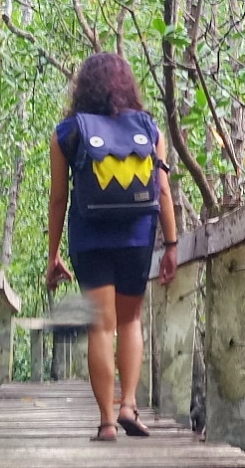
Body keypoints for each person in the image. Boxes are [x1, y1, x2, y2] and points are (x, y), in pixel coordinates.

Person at [42, 51, 179, 441]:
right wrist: (171, 244)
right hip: (137, 236)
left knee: (100, 327)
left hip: (90, 237)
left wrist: (53, 255)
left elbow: (57, 199)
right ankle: (129, 405)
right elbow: (163, 190)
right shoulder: (150, 130)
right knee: (130, 320)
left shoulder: (67, 132)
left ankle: (105, 422)